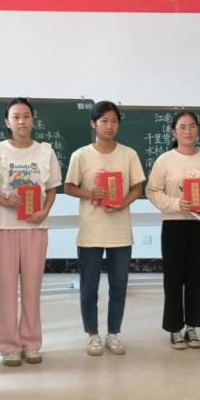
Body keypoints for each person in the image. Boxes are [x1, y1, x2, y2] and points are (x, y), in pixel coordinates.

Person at [0, 98, 61, 366]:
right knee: (6, 290)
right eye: (16, 116)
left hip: (36, 227)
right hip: (5, 227)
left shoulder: (45, 151)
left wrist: (45, 210)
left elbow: (52, 188)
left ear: (33, 119)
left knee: (33, 288)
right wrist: (3, 200)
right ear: (7, 121)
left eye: (26, 116)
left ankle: (31, 343)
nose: (22, 121)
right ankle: (9, 346)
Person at [64, 101, 145, 356]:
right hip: (91, 231)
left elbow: (138, 187)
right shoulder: (81, 155)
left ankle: (113, 333)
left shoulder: (128, 154)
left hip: (119, 231)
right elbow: (68, 187)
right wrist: (90, 193)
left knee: (119, 285)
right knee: (89, 287)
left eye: (114, 121)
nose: (110, 126)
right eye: (104, 121)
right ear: (93, 123)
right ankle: (92, 334)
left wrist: (123, 202)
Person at [146, 110, 200, 349]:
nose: (188, 131)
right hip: (174, 224)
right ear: (173, 132)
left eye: (192, 126)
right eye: (182, 127)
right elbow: (152, 191)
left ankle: (192, 326)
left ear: (198, 130)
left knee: (198, 276)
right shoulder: (164, 160)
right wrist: (177, 203)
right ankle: (174, 328)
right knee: (174, 277)